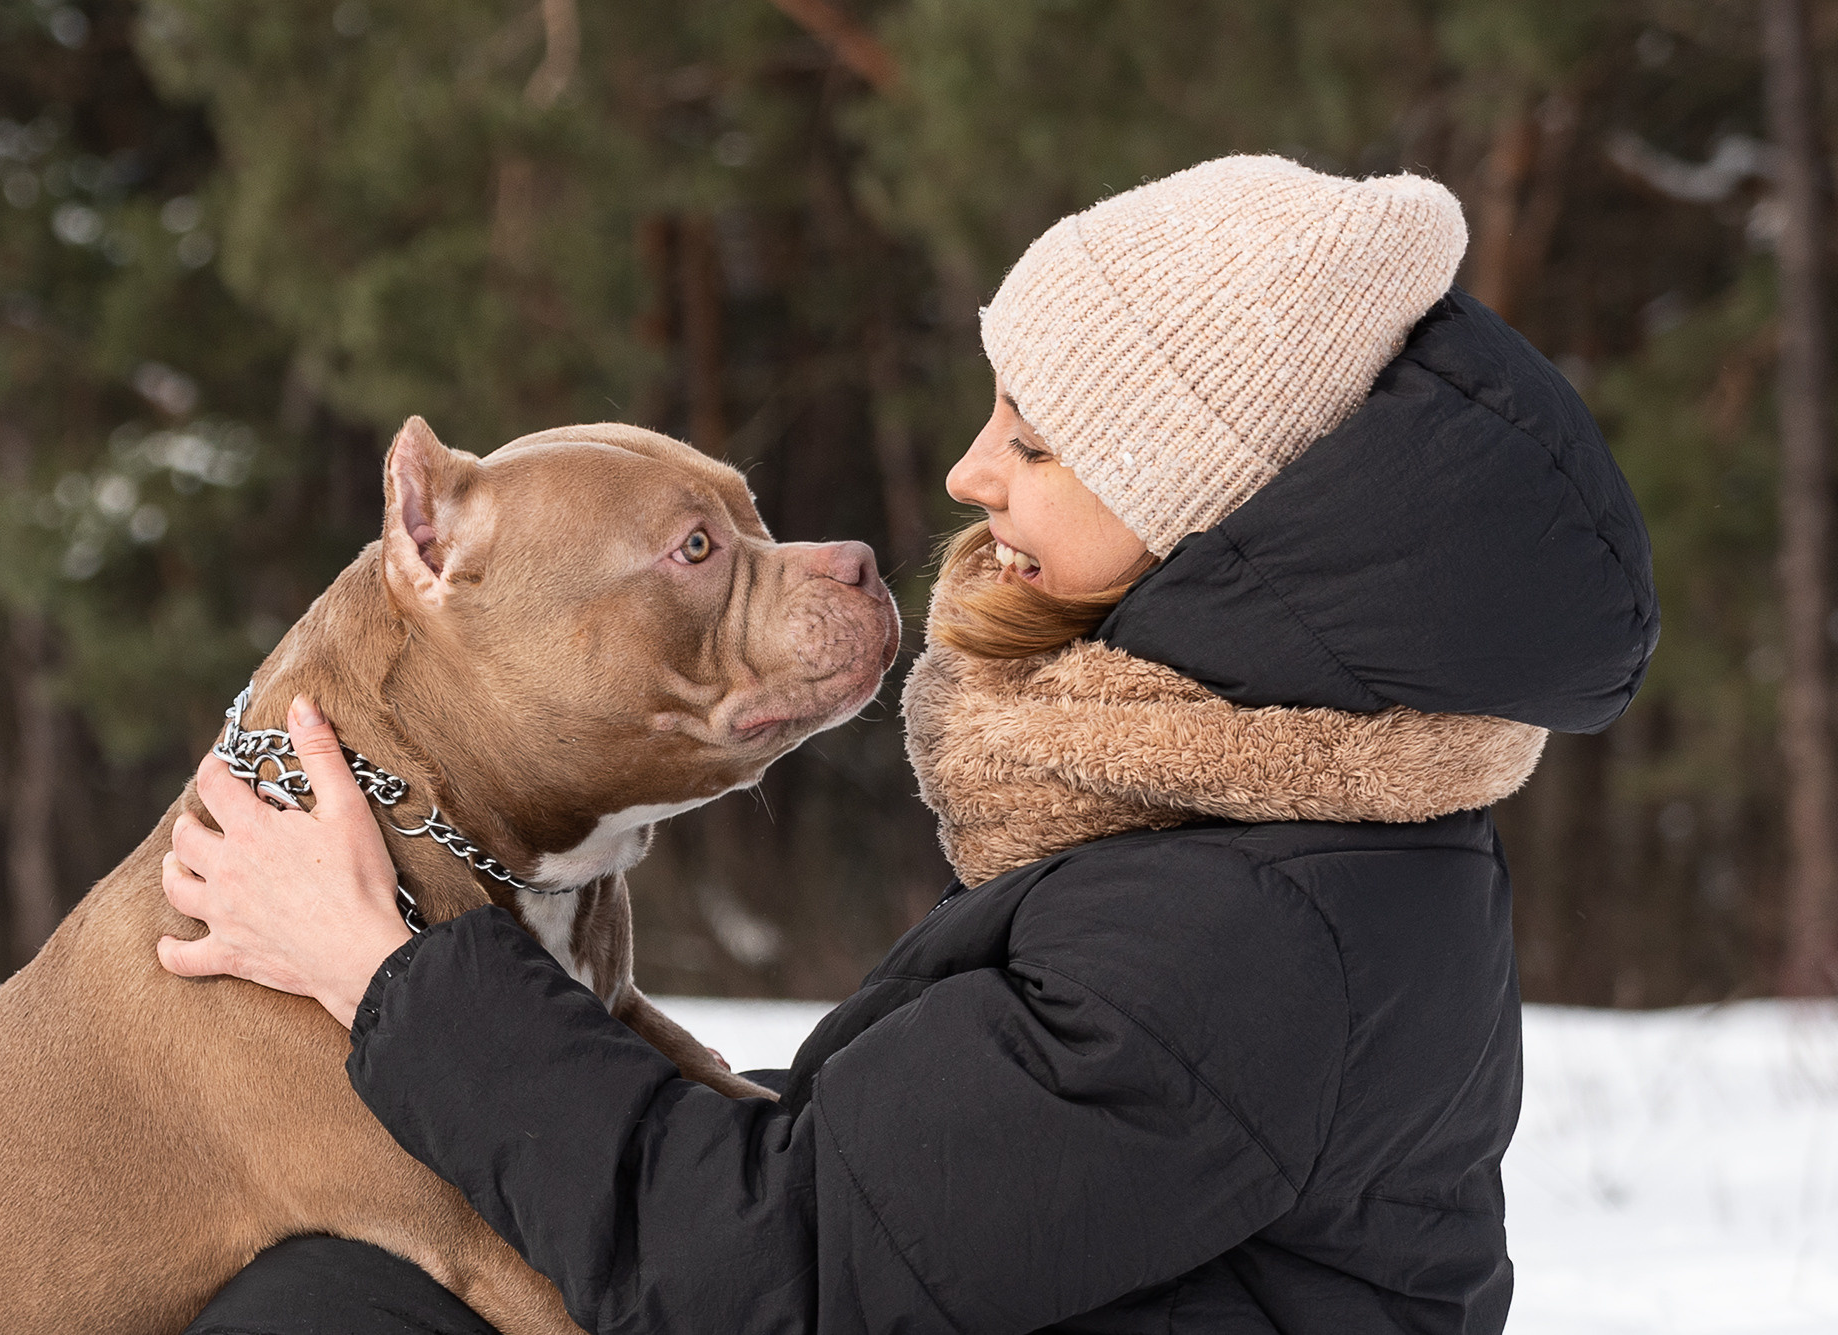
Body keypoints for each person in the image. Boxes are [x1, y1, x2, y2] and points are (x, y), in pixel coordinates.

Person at [162, 155, 1657, 1335]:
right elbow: (884, 1193)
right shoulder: (1249, 822)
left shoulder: (1259, 923)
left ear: (1210, 511)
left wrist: (384, 974)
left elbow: (780, 1277)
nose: (966, 471)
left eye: (1038, 440)